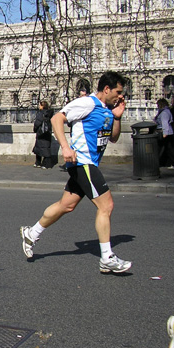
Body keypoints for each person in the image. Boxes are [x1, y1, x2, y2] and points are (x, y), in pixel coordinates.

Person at [20, 71, 132, 274]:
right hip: (82, 162)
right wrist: (65, 146)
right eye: (118, 92)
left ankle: (31, 233)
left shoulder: (106, 110)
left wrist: (117, 117)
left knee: (66, 205)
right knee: (106, 205)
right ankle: (106, 257)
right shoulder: (87, 104)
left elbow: (114, 138)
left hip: (89, 164)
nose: (120, 96)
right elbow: (56, 119)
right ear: (106, 89)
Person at [154, 98, 174, 168]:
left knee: (163, 149)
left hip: (164, 132)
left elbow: (165, 123)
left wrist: (165, 133)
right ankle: (171, 163)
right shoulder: (166, 111)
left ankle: (158, 162)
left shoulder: (164, 113)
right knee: (168, 149)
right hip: (168, 132)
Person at [32, 101, 54, 169]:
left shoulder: (41, 113)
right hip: (47, 133)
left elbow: (37, 123)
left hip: (41, 133)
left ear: (42, 106)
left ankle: (38, 163)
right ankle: (45, 164)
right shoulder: (49, 113)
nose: (39, 106)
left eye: (40, 105)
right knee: (46, 148)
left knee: (38, 148)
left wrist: (35, 129)